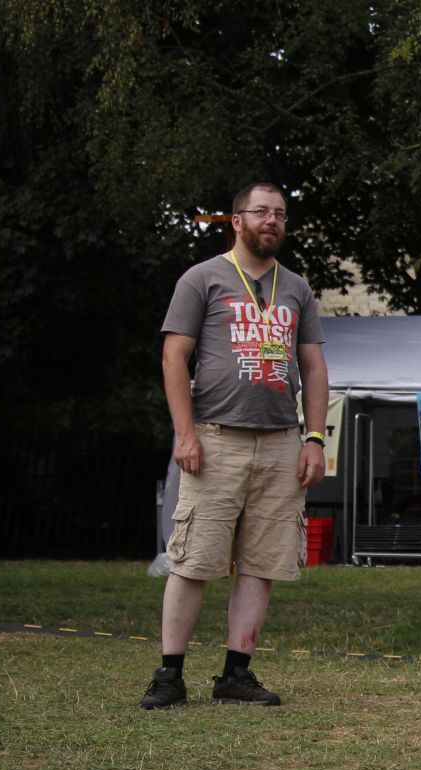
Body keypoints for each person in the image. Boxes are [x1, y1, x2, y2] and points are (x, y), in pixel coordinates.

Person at [142, 182, 328, 709]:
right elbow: (173, 358)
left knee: (262, 563)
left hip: (281, 442)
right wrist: (186, 434)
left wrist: (314, 438)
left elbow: (314, 367)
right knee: (193, 559)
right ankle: (169, 674)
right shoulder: (202, 278)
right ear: (236, 220)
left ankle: (236, 674)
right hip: (216, 438)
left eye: (280, 214)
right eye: (261, 212)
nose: (272, 221)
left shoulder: (296, 288)